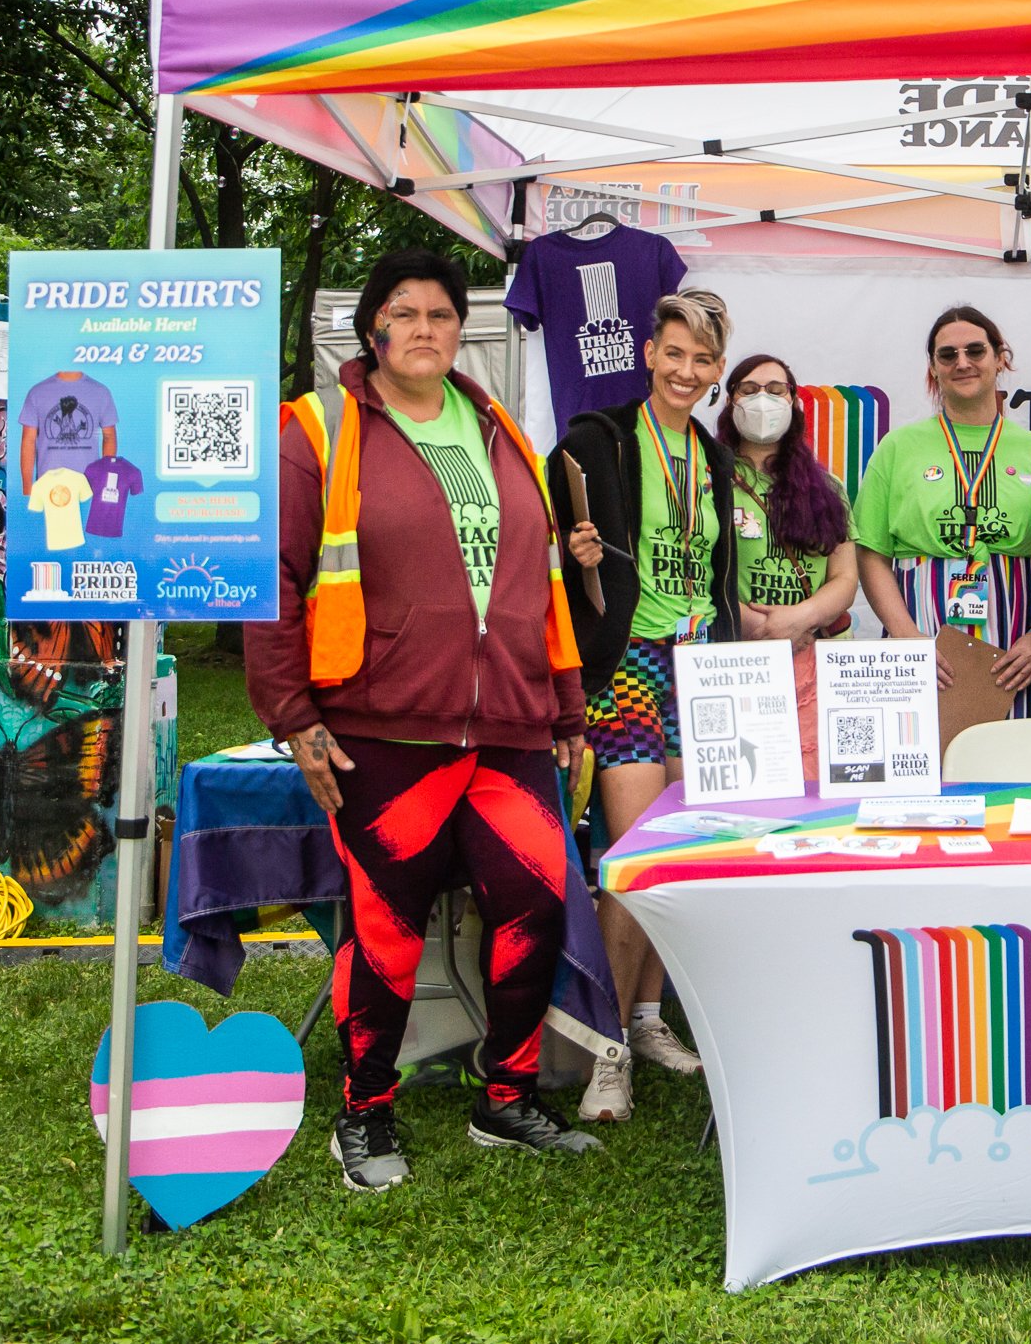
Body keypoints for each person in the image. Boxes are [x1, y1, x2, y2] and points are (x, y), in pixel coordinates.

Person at [245, 247, 599, 1193]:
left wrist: (563, 704)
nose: (424, 328)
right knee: (387, 928)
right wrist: (292, 716)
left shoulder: (500, 433)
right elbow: (271, 582)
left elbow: (543, 585)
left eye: (441, 314)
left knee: (535, 905)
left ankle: (508, 1097)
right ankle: (364, 1113)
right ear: (373, 332)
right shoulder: (315, 429)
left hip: (510, 730)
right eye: (403, 313)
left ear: (459, 332)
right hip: (381, 729)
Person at [552, 290, 742, 1121]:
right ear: (648, 352)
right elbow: (551, 543)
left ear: (716, 372)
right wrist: (569, 549)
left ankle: (648, 1017)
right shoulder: (599, 436)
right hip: (628, 661)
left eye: (703, 361)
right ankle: (603, 1050)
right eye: (675, 354)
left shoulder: (715, 456)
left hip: (701, 666)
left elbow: (720, 570)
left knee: (682, 853)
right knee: (632, 856)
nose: (686, 372)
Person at [854, 306, 1031, 714]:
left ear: (1001, 358)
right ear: (933, 368)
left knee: (1016, 771)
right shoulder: (899, 447)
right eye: (947, 355)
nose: (962, 362)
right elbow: (871, 552)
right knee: (922, 765)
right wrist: (906, 638)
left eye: (975, 351)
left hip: (1018, 655)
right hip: (922, 647)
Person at [718, 353, 862, 778]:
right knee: (749, 782)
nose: (763, 399)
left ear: (794, 403)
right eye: (749, 389)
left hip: (817, 660)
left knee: (819, 789)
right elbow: (698, 572)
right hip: (739, 661)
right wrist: (750, 624)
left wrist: (800, 618)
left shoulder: (827, 487)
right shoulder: (708, 478)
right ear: (730, 402)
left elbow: (845, 578)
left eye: (776, 390)